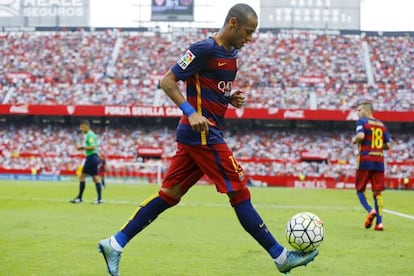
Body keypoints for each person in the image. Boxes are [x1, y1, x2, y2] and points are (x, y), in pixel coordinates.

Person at [98, 3, 318, 275]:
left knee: (169, 195)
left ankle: (115, 243)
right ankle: (281, 256)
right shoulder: (203, 49)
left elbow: (209, 89)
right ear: (233, 23)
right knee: (240, 192)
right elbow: (167, 81)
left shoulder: (233, 54)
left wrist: (229, 97)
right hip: (203, 134)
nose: (250, 39)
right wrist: (190, 112)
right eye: (248, 32)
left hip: (202, 134)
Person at [351, 102, 391, 231]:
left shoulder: (362, 122)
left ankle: (370, 210)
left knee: (360, 190)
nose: (357, 112)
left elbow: (361, 136)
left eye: (359, 109)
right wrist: (377, 147)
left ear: (367, 111)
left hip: (365, 159)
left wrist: (354, 140)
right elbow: (388, 145)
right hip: (379, 160)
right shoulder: (382, 125)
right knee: (377, 192)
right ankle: (380, 223)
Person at [70, 120, 104, 204]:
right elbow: (95, 147)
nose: (81, 129)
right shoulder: (90, 135)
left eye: (82, 127)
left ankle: (80, 198)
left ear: (86, 126)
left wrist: (81, 148)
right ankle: (99, 199)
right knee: (95, 178)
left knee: (82, 177)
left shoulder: (89, 135)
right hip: (93, 157)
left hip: (91, 158)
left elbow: (92, 147)